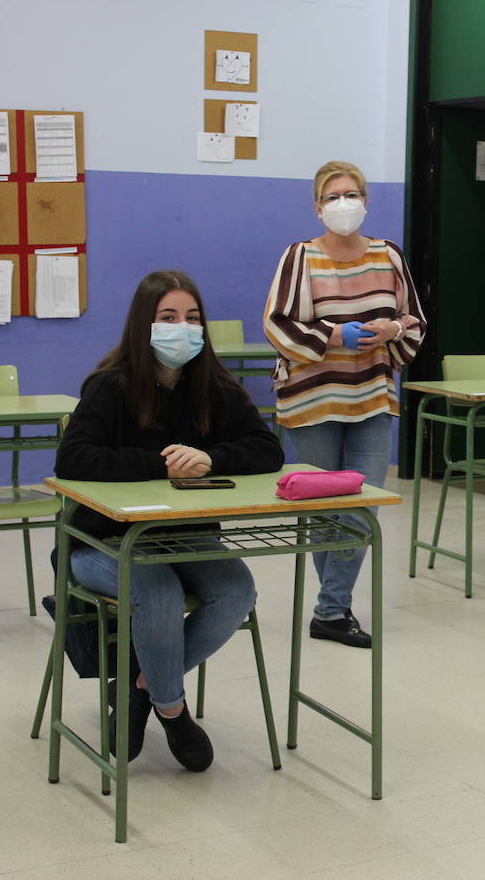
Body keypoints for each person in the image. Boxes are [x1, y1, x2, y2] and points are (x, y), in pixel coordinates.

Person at [55, 270, 284, 772]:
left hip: (182, 537)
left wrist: (211, 458)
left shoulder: (215, 386)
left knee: (237, 591)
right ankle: (174, 711)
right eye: (168, 318)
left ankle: (139, 687)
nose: (183, 328)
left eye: (192, 318)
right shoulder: (109, 385)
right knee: (154, 591)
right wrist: (160, 463)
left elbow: (268, 450)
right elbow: (73, 461)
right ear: (144, 325)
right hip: (100, 541)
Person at [264, 160, 425, 648]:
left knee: (361, 505)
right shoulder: (300, 257)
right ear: (317, 207)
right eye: (333, 196)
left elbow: (413, 318)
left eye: (351, 193)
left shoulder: (388, 256)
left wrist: (391, 330)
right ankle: (333, 611)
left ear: (366, 200)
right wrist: (334, 334)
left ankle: (330, 610)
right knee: (323, 509)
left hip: (372, 395)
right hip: (313, 399)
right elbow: (277, 324)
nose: (343, 203)